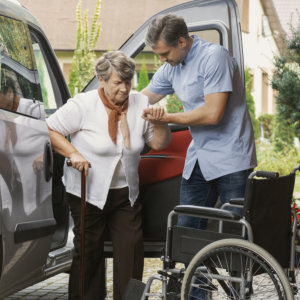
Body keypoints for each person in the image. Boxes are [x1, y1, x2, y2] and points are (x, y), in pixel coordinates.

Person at [46, 50, 171, 300]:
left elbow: (158, 144)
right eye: (117, 82)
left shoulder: (140, 104)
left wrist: (161, 122)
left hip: (126, 196)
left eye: (128, 81)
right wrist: (73, 153)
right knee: (88, 255)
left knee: (131, 256)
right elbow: (50, 129)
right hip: (87, 192)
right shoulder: (83, 104)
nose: (124, 89)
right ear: (101, 80)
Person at [142, 15, 257, 243]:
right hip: (199, 158)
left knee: (237, 235)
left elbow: (212, 113)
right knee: (187, 229)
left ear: (182, 42)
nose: (163, 60)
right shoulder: (172, 67)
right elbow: (142, 98)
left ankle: (240, 277)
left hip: (231, 157)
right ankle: (197, 279)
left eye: (165, 53)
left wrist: (165, 118)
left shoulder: (214, 58)